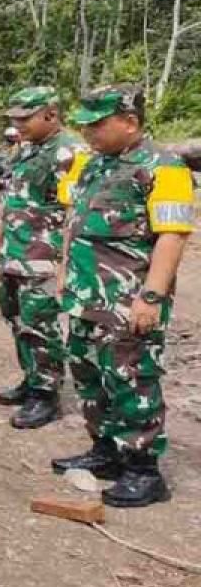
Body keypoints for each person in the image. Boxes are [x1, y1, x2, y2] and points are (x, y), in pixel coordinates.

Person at [52, 84, 193, 508]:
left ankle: (143, 468)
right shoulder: (93, 164)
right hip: (85, 296)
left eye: (98, 124)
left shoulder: (164, 168)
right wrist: (63, 268)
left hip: (127, 298)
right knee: (90, 374)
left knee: (132, 378)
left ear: (130, 122)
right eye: (86, 125)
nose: (89, 132)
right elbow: (72, 220)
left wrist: (151, 296)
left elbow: (172, 235)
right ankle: (107, 450)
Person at [0, 87, 87, 429]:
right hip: (15, 252)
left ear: (50, 114)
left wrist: (64, 263)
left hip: (44, 255)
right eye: (14, 118)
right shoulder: (27, 149)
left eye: (24, 117)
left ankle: (46, 394)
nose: (18, 124)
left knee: (40, 324)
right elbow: (12, 197)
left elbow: (74, 211)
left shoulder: (69, 153)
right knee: (16, 318)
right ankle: (31, 378)